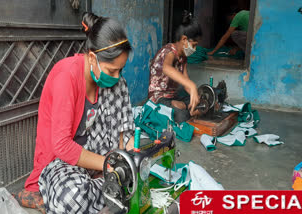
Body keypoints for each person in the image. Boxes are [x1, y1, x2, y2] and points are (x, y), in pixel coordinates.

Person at [15, 12, 135, 214]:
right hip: (63, 161)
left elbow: (123, 128)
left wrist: (130, 155)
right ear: (91, 57)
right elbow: (61, 146)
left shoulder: (114, 83)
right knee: (70, 197)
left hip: (100, 155)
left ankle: (107, 187)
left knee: (137, 165)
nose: (116, 76)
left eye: (120, 70)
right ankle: (110, 188)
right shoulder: (67, 77)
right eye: (111, 70)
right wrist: (108, 167)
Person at [148, 11, 202, 123]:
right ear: (184, 39)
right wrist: (191, 85)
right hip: (159, 99)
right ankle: (184, 110)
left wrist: (194, 94)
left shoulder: (184, 57)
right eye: (194, 45)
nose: (195, 49)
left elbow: (185, 81)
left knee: (197, 102)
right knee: (181, 116)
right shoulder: (168, 52)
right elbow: (166, 68)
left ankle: (186, 108)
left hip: (173, 97)